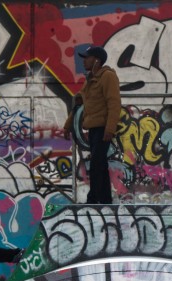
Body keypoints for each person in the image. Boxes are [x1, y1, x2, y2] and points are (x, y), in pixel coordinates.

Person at [62, 45, 122, 204]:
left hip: (103, 129)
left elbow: (114, 104)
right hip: (94, 129)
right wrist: (68, 126)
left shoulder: (108, 76)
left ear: (96, 61)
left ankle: (93, 200)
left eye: (87, 58)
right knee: (100, 166)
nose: (84, 61)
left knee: (96, 166)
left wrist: (110, 129)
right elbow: (78, 104)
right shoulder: (90, 80)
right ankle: (105, 200)